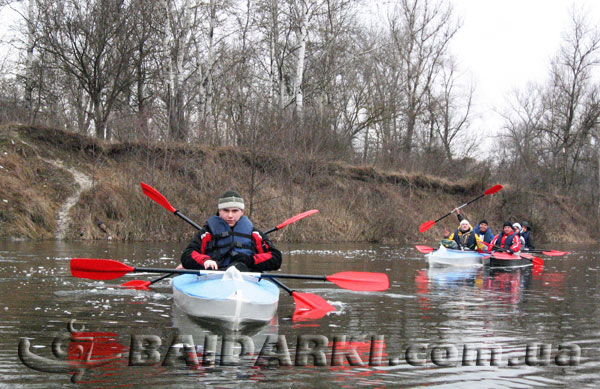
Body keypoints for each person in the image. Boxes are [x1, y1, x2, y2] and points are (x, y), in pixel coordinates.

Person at [180, 190, 282, 272]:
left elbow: (276, 258)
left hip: (245, 277)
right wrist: (205, 261)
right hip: (214, 275)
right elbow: (187, 255)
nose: (230, 215)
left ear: (242, 212)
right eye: (226, 210)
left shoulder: (255, 234)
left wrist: (250, 260)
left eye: (235, 211)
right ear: (219, 211)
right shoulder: (206, 233)